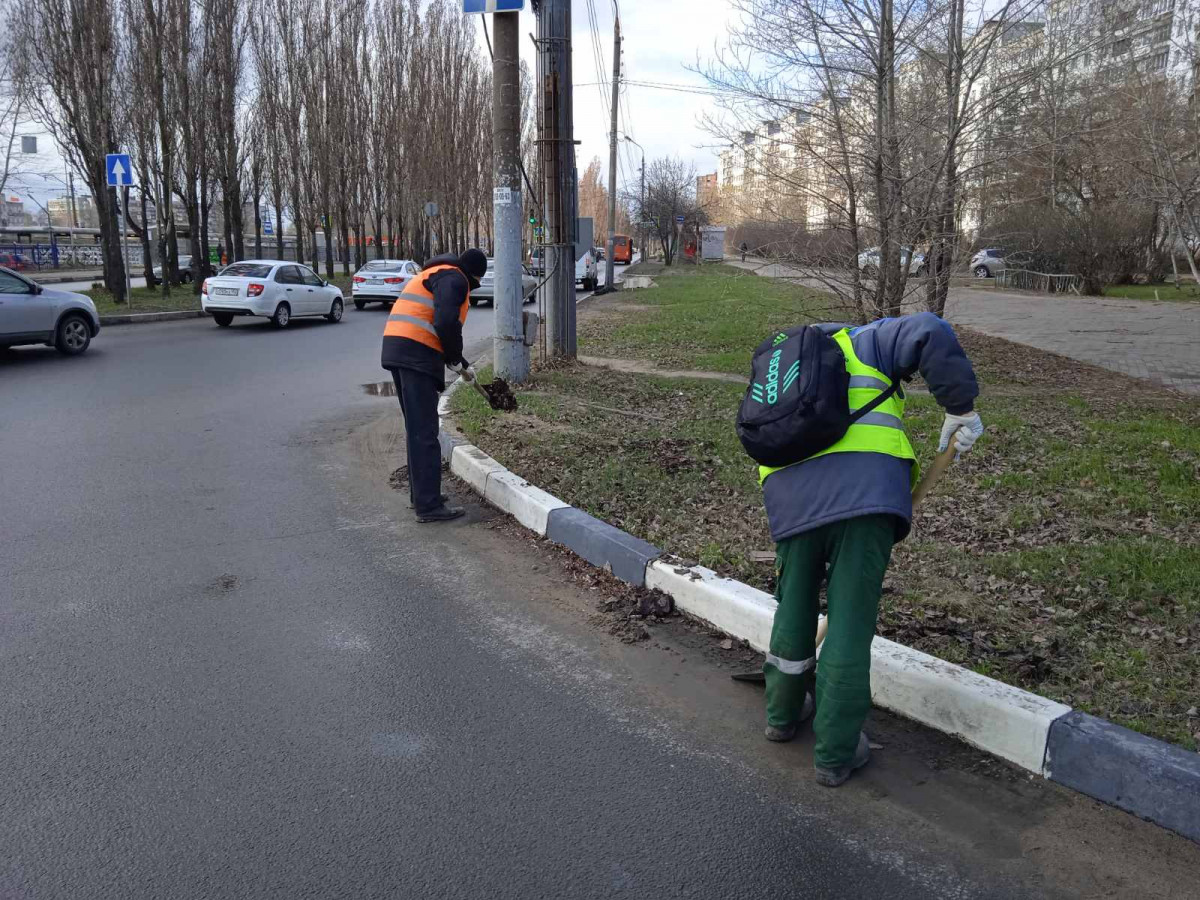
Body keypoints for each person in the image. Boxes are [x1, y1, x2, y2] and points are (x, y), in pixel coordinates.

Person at [758, 313, 983, 786]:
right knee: (849, 621)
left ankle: (781, 715)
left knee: (793, 606)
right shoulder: (868, 339)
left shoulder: (781, 359)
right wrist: (960, 407)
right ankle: (836, 753)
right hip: (864, 498)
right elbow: (928, 329)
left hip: (789, 498)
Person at [381, 248, 488, 523]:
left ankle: (421, 495)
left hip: (398, 348)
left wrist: (461, 363)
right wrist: (453, 358)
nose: (472, 289)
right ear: (473, 276)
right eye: (474, 284)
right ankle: (428, 507)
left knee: (416, 429)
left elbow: (433, 320)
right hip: (416, 354)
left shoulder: (436, 272)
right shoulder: (456, 279)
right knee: (425, 431)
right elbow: (444, 322)